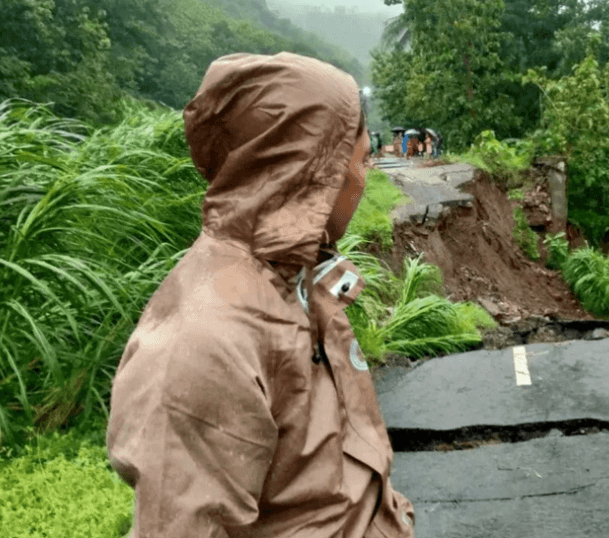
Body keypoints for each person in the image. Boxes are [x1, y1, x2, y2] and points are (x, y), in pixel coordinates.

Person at [106, 52, 416, 538]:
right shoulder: (207, 341)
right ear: (317, 173)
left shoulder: (294, 271)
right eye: (361, 160)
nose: (366, 175)